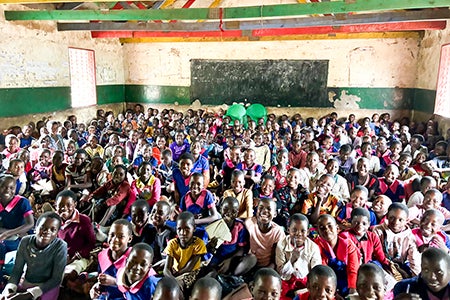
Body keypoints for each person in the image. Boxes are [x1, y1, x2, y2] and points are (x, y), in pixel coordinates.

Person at [1, 212, 67, 300]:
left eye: (53, 229)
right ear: (35, 228)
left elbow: (56, 279)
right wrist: (10, 289)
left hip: (47, 286)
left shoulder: (60, 246)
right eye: (43, 227)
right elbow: (17, 270)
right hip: (28, 281)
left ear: (57, 233)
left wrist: (29, 294)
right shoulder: (25, 241)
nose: (47, 232)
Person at [276, 213, 321, 300]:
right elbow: (280, 272)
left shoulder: (313, 248)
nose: (298, 234)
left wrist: (305, 289)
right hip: (286, 281)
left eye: (303, 231)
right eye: (294, 230)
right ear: (288, 230)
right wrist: (292, 261)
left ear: (307, 232)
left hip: (306, 282)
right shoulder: (281, 245)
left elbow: (316, 272)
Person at [55, 190, 95, 286]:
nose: (64, 208)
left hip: (79, 257)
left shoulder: (83, 221)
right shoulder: (54, 220)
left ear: (75, 204)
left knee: (69, 274)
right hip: (62, 256)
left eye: (69, 205)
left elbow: (91, 243)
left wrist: (75, 257)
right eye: (60, 205)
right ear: (55, 205)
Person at [372, 203, 421, 278]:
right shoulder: (378, 231)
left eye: (401, 220)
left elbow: (413, 258)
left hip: (400, 265)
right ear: (387, 217)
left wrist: (416, 277)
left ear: (407, 220)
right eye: (392, 218)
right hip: (381, 263)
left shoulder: (409, 237)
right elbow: (375, 253)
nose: (396, 222)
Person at [314, 214, 359, 297]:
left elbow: (353, 270)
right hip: (326, 282)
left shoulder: (348, 245)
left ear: (337, 228)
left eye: (329, 226)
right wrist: (333, 294)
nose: (326, 230)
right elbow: (322, 271)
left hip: (346, 281)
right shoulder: (316, 246)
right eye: (322, 228)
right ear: (318, 232)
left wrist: (352, 290)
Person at [0, 175, 34, 282]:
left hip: (20, 235)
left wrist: (8, 232)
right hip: (4, 234)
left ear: (16, 189)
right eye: (3, 186)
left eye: (11, 187)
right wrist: (4, 232)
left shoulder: (22, 202)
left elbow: (30, 224)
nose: (7, 190)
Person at [209, 196, 254, 276]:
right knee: (211, 271)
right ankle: (218, 275)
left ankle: (232, 276)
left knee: (252, 259)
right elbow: (209, 249)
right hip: (216, 260)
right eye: (225, 209)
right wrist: (211, 247)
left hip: (233, 259)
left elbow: (242, 249)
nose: (229, 213)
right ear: (220, 209)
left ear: (237, 213)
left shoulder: (239, 227)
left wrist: (229, 260)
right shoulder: (214, 225)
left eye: (233, 211)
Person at [90, 219, 133, 300]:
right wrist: (96, 288)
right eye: (112, 235)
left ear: (130, 239)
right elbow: (102, 282)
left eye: (121, 236)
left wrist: (115, 281)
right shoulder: (102, 255)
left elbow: (139, 290)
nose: (115, 239)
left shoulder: (135, 259)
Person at [163, 211, 207, 291]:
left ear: (194, 229)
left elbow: (189, 267)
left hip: (191, 273)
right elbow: (166, 269)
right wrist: (172, 278)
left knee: (177, 287)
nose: (183, 233)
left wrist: (175, 278)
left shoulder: (198, 244)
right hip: (175, 272)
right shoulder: (172, 244)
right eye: (179, 229)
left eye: (187, 229)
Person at [245, 198, 286, 268]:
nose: (264, 211)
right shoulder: (250, 223)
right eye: (261, 208)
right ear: (256, 210)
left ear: (275, 214)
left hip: (266, 265)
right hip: (249, 261)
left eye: (269, 209)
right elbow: (243, 246)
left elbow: (275, 258)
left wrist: (266, 271)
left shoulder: (278, 232)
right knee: (251, 258)